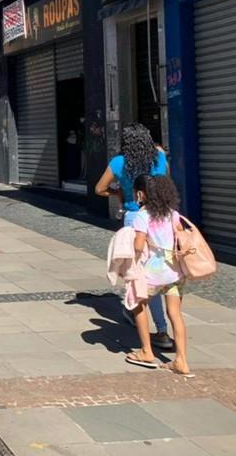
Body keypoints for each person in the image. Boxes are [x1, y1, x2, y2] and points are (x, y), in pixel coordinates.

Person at [96, 123, 173, 350]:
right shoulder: (158, 159)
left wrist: (118, 192)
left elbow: (99, 188)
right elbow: (166, 181)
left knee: (140, 276)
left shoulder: (119, 163)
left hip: (135, 219)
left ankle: (160, 331)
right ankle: (155, 325)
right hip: (161, 218)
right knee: (160, 270)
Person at [125, 175, 193, 378]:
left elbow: (138, 245)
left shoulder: (142, 216)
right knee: (175, 314)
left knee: (138, 306)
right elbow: (180, 237)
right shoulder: (172, 214)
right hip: (174, 272)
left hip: (152, 274)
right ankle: (181, 360)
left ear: (140, 193)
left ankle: (146, 351)